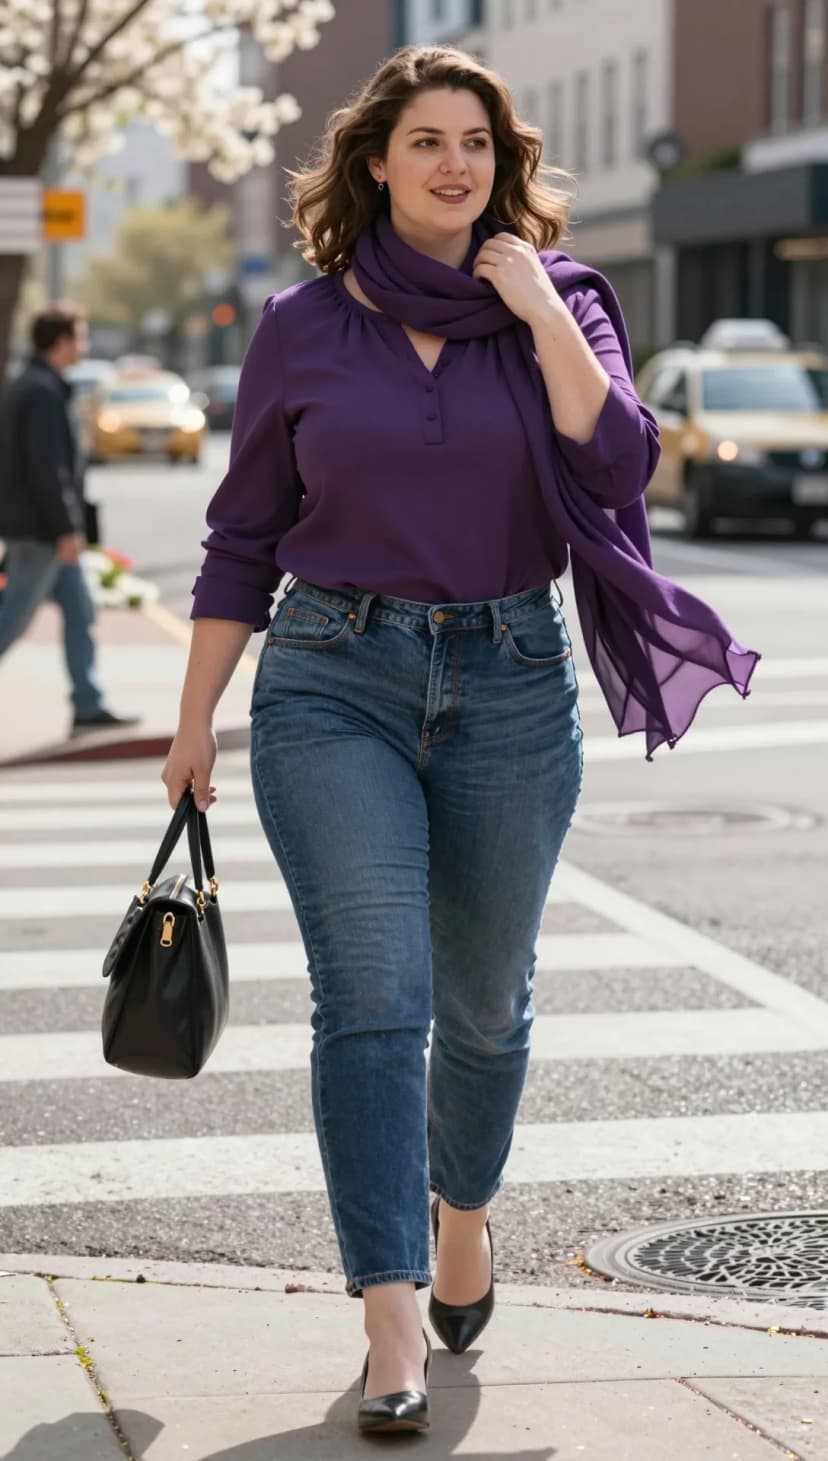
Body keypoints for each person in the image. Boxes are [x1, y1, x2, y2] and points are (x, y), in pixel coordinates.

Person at [162, 45, 759, 1437]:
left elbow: (614, 463)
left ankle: (463, 1215)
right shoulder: (301, 324)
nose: (453, 165)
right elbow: (243, 535)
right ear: (377, 160)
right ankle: (387, 1317)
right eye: (425, 140)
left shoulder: (570, 303)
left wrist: (535, 301)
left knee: (486, 1008)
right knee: (375, 1001)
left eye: (477, 143)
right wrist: (193, 721)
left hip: (507, 679)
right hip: (332, 678)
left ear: (505, 162)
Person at [0, 303, 138, 734]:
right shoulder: (40, 391)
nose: (85, 344)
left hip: (44, 528)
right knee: (12, 620)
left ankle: (87, 703)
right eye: (79, 336)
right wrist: (65, 528)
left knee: (81, 610)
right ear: (60, 342)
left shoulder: (36, 384)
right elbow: (48, 468)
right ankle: (88, 701)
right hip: (42, 532)